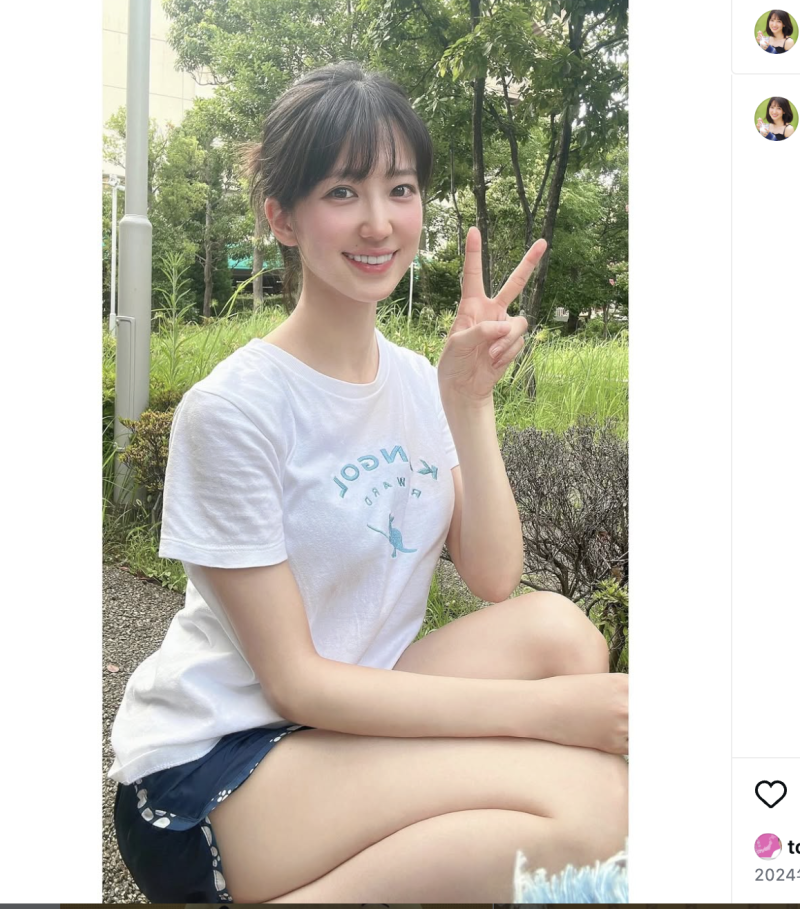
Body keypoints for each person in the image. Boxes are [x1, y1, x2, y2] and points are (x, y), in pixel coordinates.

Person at [109, 62, 628, 904]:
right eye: (343, 192)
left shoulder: (419, 379)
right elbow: (294, 681)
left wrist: (468, 401)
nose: (380, 221)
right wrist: (546, 716)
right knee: (602, 806)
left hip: (338, 717)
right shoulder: (234, 409)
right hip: (213, 769)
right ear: (283, 217)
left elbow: (495, 576)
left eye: (401, 188)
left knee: (561, 634)